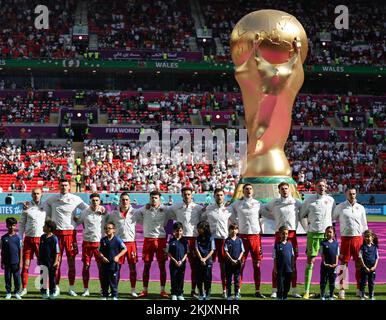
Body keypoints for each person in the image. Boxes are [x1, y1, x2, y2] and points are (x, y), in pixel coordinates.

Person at [43, 178, 96, 296]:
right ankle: (56, 287)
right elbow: (44, 207)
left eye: (65, 185)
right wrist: (48, 219)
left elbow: (88, 209)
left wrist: (99, 208)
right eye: (61, 185)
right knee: (56, 263)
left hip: (70, 235)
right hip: (56, 235)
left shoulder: (75, 199)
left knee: (71, 263)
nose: (63, 187)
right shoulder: (51, 199)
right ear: (58, 186)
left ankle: (71, 287)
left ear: (69, 187)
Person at [260, 182, 303, 298]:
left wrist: (300, 219)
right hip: (279, 234)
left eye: (286, 188)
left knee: (293, 263)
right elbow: (262, 209)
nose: (284, 190)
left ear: (289, 190)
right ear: (279, 191)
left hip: (292, 235)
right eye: (282, 189)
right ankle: (275, 289)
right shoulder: (275, 202)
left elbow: (304, 212)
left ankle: (294, 289)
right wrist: (273, 217)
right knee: (277, 262)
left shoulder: (296, 202)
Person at [300, 179, 336, 299]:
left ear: (326, 187)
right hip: (314, 235)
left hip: (327, 236)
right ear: (315, 187)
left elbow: (333, 217)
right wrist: (307, 229)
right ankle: (306, 290)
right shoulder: (309, 200)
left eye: (323, 186)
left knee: (331, 263)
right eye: (319, 186)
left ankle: (330, 291)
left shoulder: (331, 200)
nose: (321, 188)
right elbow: (302, 216)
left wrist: (332, 231)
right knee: (311, 262)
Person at [230, 184, 266, 298]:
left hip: (255, 237)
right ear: (243, 191)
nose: (248, 190)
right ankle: (238, 290)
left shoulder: (258, 203)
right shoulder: (237, 203)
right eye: (246, 189)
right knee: (240, 265)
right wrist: (236, 223)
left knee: (257, 265)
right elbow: (229, 213)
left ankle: (257, 290)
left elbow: (267, 213)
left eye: (250, 189)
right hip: (242, 237)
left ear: (253, 191)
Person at [332, 186, 368, 299]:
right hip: (345, 239)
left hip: (358, 239)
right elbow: (332, 218)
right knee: (343, 265)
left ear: (356, 194)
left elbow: (364, 224)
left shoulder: (361, 208)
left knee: (360, 265)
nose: (352, 195)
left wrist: (366, 238)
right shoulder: (340, 207)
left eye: (354, 193)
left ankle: (359, 289)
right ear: (345, 194)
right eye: (350, 193)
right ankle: (342, 290)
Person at [167, 187, 203, 298]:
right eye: (185, 194)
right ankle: (176, 291)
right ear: (182, 195)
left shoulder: (198, 208)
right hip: (180, 239)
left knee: (195, 267)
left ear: (192, 194)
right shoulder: (176, 206)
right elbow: (164, 210)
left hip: (193, 239)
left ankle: (193, 290)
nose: (187, 196)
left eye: (189, 194)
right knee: (177, 266)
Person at [134, 190, 170, 298]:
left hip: (161, 240)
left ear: (160, 199)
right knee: (146, 265)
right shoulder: (145, 209)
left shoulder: (166, 209)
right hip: (148, 240)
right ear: (149, 199)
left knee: (162, 266)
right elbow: (135, 214)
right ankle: (144, 290)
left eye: (156, 198)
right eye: (152, 198)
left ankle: (163, 290)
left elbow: (175, 213)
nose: (153, 200)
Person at [104, 192, 139, 297]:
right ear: (119, 201)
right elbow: (106, 224)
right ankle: (114, 289)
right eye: (122, 200)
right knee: (115, 268)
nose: (124, 202)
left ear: (130, 201)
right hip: (118, 244)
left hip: (131, 243)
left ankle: (133, 290)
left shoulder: (135, 212)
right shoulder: (114, 214)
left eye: (126, 199)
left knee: (132, 267)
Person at [202, 187, 233, 298]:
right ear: (214, 196)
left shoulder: (229, 209)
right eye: (217, 195)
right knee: (208, 267)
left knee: (224, 268)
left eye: (221, 195)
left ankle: (224, 290)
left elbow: (235, 221)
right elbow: (201, 219)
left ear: (223, 196)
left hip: (224, 240)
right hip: (211, 241)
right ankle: (208, 290)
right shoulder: (208, 208)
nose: (219, 197)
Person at [73, 193, 104, 297]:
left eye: (97, 200)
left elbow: (111, 221)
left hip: (99, 243)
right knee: (86, 266)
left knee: (101, 267)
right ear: (90, 201)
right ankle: (86, 289)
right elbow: (77, 222)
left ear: (99, 201)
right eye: (93, 200)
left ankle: (102, 288)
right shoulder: (84, 212)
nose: (95, 202)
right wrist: (72, 218)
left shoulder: (104, 212)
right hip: (86, 243)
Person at [19, 188, 46, 296]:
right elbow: (21, 223)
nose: (36, 195)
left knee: (43, 266)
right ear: (31, 194)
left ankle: (44, 289)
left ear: (41, 195)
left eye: (38, 194)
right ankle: (24, 288)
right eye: (34, 194)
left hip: (41, 240)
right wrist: (20, 237)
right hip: (28, 240)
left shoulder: (46, 206)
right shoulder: (27, 206)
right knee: (25, 265)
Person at [98, 222, 127, 300]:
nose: (107, 230)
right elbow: (99, 251)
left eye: (109, 228)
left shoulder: (117, 240)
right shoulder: (103, 240)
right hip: (104, 265)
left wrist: (117, 256)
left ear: (114, 230)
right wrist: (102, 257)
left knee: (113, 282)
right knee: (104, 281)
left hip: (113, 265)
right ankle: (105, 295)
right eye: (106, 228)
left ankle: (114, 296)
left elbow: (125, 249)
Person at [0, 217, 23, 299]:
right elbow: (2, 251)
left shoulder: (18, 238)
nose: (11, 227)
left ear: (15, 226)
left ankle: (17, 292)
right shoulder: (3, 238)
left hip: (16, 262)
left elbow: (20, 250)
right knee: (7, 278)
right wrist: (2, 262)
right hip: (7, 262)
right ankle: (8, 292)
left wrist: (20, 262)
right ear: (6, 225)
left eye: (13, 225)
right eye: (9, 225)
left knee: (17, 278)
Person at [38, 220, 60, 299]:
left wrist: (56, 262)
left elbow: (57, 252)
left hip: (51, 262)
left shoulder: (54, 238)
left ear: (49, 228)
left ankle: (52, 292)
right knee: (43, 277)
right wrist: (39, 260)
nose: (43, 227)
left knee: (52, 278)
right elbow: (40, 249)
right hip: (43, 262)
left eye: (45, 226)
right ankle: (44, 292)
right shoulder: (42, 237)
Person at [167, 222, 188, 300]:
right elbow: (168, 253)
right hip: (173, 264)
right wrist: (175, 261)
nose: (179, 232)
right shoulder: (171, 241)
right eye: (177, 231)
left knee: (181, 278)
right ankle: (174, 294)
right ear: (174, 231)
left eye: (180, 231)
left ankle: (180, 294)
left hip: (182, 264)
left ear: (182, 231)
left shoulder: (185, 241)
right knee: (174, 278)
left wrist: (181, 261)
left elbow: (186, 253)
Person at [195, 221, 215, 300]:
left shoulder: (211, 238)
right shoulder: (197, 238)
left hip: (208, 261)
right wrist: (201, 258)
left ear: (205, 228)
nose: (198, 230)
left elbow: (212, 250)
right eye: (198, 228)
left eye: (200, 228)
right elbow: (196, 248)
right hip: (199, 260)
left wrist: (205, 259)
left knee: (207, 278)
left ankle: (207, 294)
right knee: (199, 277)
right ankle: (200, 293)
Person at [273, 226, 294, 300]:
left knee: (287, 284)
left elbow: (292, 256)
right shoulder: (277, 245)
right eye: (283, 233)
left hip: (288, 269)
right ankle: (279, 296)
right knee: (280, 284)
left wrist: (292, 267)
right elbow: (274, 257)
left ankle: (285, 296)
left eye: (286, 234)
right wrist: (275, 268)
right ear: (280, 234)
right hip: (280, 269)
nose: (285, 235)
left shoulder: (290, 244)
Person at [224, 223, 244, 300]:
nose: (234, 231)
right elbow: (226, 251)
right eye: (232, 229)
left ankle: (236, 294)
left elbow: (242, 251)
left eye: (235, 229)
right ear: (229, 230)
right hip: (229, 263)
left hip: (237, 264)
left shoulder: (240, 240)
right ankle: (229, 295)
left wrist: (238, 259)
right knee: (228, 280)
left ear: (238, 230)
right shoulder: (227, 240)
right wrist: (231, 260)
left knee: (237, 280)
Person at [319, 226, 339, 300]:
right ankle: (322, 295)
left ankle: (331, 295)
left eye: (330, 232)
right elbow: (322, 254)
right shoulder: (323, 243)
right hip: (325, 266)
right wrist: (324, 262)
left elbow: (337, 254)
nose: (329, 233)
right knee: (323, 281)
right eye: (327, 232)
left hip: (333, 266)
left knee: (332, 281)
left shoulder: (336, 243)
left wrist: (336, 263)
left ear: (333, 233)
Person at [358, 230, 379, 300]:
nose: (367, 238)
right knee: (363, 283)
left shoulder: (375, 247)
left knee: (371, 283)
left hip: (372, 269)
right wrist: (364, 267)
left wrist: (374, 267)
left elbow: (377, 258)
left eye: (368, 236)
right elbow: (360, 257)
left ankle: (371, 296)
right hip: (364, 269)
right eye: (366, 237)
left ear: (372, 237)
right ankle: (362, 296)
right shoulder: (362, 247)